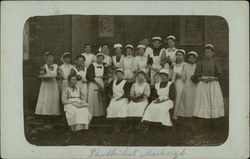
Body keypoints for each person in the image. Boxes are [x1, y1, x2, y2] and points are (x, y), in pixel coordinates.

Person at [192, 44, 224, 132]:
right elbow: (195, 75)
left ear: (213, 53)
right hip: (203, 84)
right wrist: (201, 78)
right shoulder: (200, 62)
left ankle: (212, 125)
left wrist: (213, 78)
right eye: (206, 52)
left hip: (213, 84)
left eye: (209, 52)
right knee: (203, 103)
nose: (207, 54)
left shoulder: (216, 62)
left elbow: (220, 75)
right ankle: (202, 125)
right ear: (204, 53)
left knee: (212, 102)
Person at [35, 52, 61, 117]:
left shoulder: (56, 66)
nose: (50, 59)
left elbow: (59, 76)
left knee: (54, 98)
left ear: (53, 58)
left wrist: (57, 77)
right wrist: (46, 77)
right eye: (48, 57)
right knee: (46, 98)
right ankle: (45, 114)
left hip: (53, 84)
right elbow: (40, 76)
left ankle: (53, 114)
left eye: (51, 57)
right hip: (46, 85)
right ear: (46, 59)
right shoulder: (44, 67)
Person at [106, 68, 131, 132]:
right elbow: (110, 92)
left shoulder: (126, 83)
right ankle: (115, 125)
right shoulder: (112, 82)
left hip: (123, 98)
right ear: (116, 75)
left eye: (120, 74)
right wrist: (110, 95)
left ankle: (118, 126)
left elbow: (127, 93)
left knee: (120, 108)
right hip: (114, 98)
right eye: (117, 74)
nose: (119, 76)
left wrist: (121, 97)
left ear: (123, 75)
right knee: (111, 107)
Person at [86, 53, 107, 117]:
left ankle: (99, 114)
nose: (100, 59)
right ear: (96, 58)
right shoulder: (92, 65)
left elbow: (105, 76)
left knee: (99, 98)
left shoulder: (103, 66)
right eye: (99, 58)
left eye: (101, 58)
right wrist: (97, 84)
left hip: (101, 82)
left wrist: (105, 79)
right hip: (93, 82)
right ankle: (91, 114)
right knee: (92, 97)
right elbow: (89, 76)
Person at [172, 49, 187, 119]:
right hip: (176, 82)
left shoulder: (185, 64)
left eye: (180, 55)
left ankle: (182, 113)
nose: (179, 57)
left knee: (181, 96)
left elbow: (186, 75)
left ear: (183, 56)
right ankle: (176, 113)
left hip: (182, 82)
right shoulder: (175, 65)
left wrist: (179, 75)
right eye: (177, 55)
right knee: (176, 96)